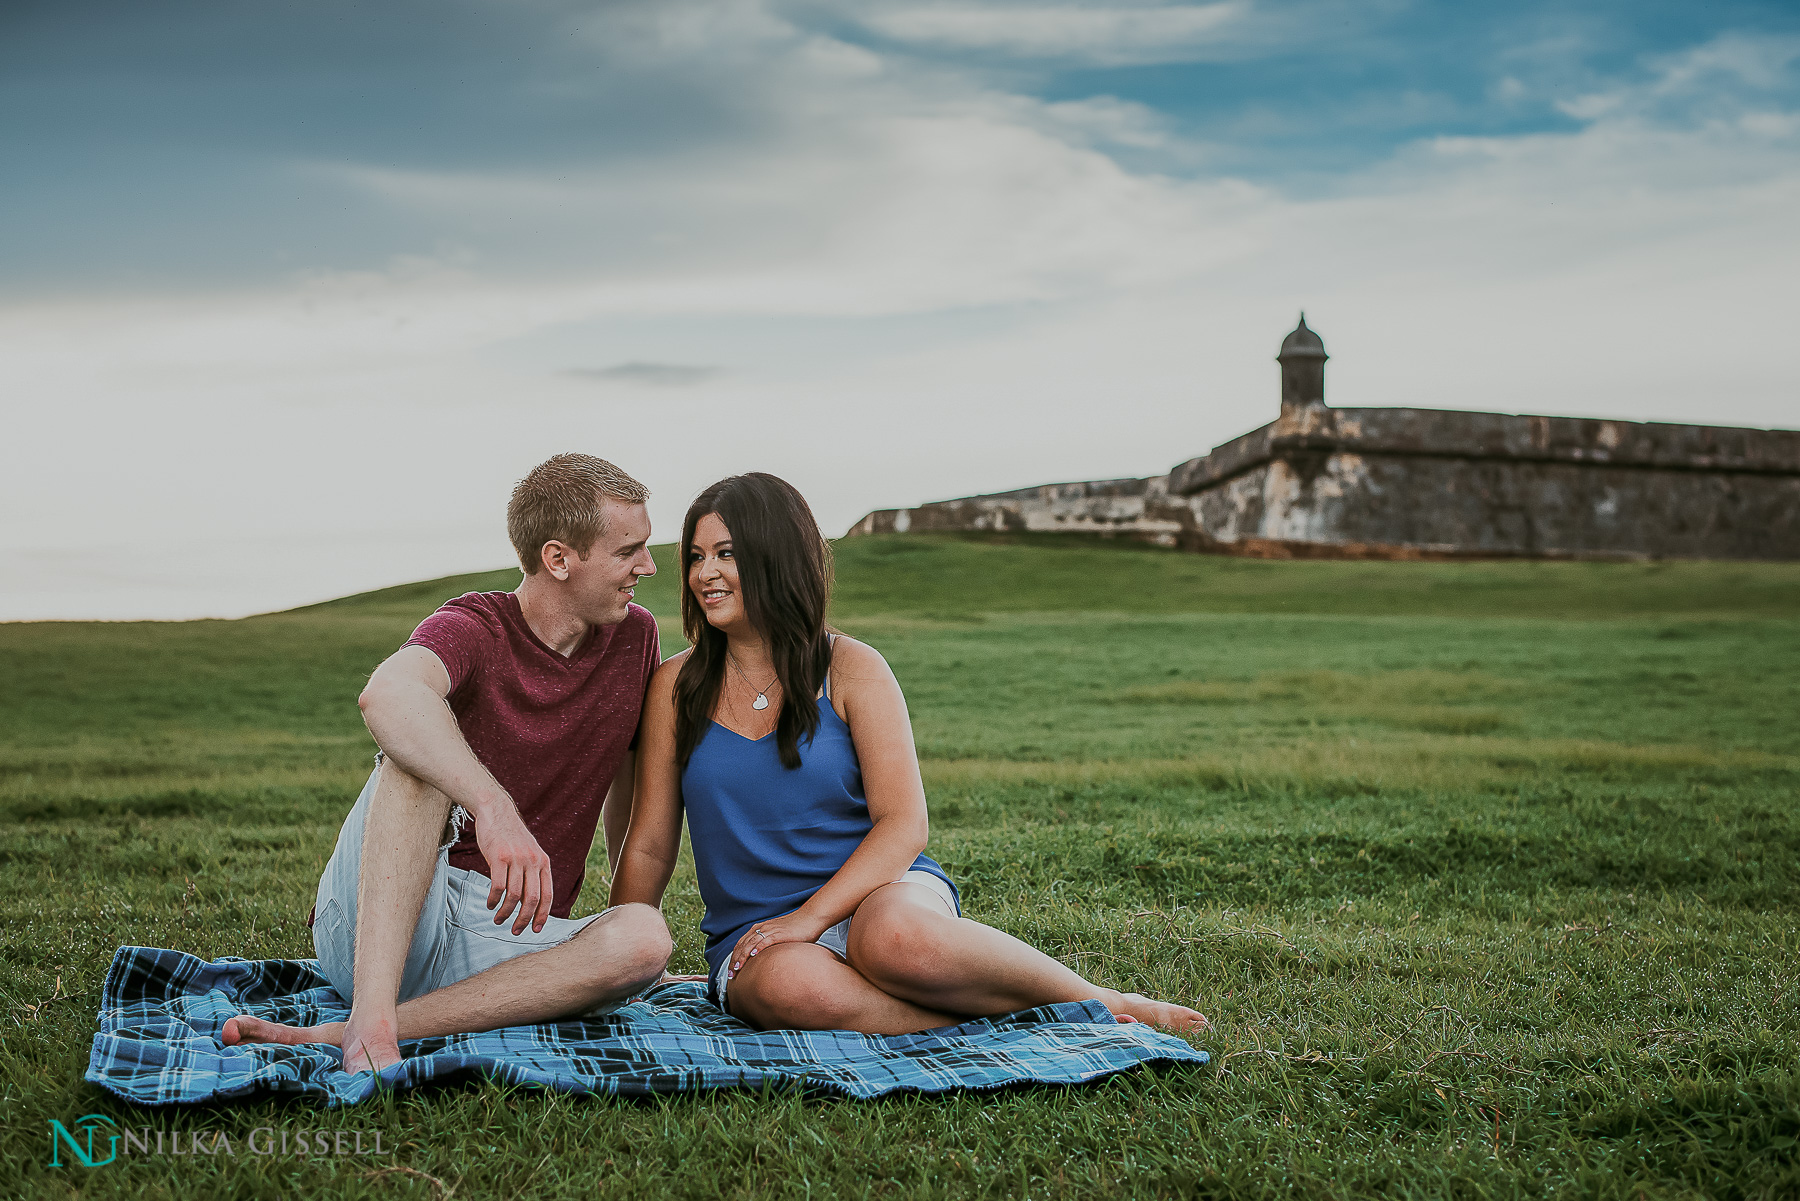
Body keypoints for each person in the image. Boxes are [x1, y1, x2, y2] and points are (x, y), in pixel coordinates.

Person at [609, 473, 1210, 1035]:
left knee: (894, 941)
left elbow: (904, 825)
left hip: (882, 894)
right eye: (696, 555)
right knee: (789, 989)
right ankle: (965, 1025)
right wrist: (619, 962)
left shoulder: (851, 668)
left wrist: (812, 917)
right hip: (757, 935)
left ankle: (1103, 1003)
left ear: (776, 557)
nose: (704, 573)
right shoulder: (675, 688)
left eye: (727, 553)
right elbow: (651, 843)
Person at [223, 453, 673, 1071]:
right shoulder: (475, 624)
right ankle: (370, 1021)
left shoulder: (634, 638)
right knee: (414, 762)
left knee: (645, 937)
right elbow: (388, 693)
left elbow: (629, 787)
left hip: (505, 937)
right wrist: (493, 807)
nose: (647, 566)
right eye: (629, 551)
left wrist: (623, 911)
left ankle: (360, 1030)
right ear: (559, 558)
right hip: (381, 920)